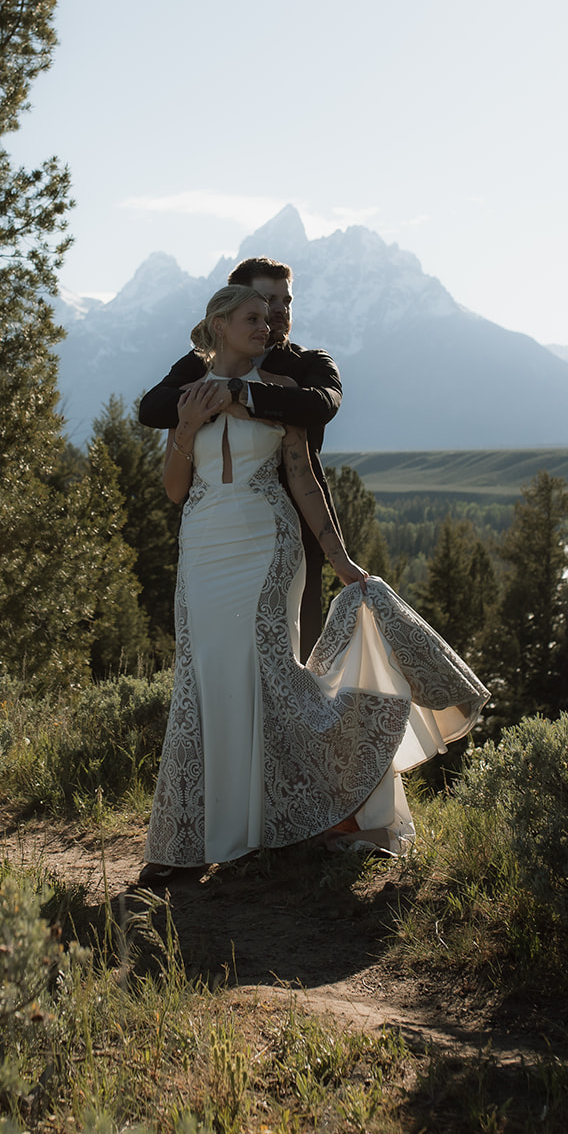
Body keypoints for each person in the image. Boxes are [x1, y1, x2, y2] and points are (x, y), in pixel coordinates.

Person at [138, 284, 489, 885]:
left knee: (266, 671)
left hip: (265, 544)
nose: (268, 325)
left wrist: (339, 556)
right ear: (218, 325)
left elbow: (302, 479)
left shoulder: (281, 397)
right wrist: (185, 425)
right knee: (204, 676)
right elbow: (174, 489)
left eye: (271, 317)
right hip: (201, 546)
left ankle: (279, 827)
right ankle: (191, 839)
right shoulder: (185, 395)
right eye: (253, 317)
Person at [138, 256, 340, 659]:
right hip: (214, 536)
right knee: (217, 658)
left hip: (293, 533)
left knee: (297, 659)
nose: (279, 312)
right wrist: (212, 395)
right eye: (269, 301)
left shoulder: (308, 364)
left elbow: (321, 405)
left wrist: (242, 395)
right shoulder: (200, 366)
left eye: (287, 301)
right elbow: (153, 408)